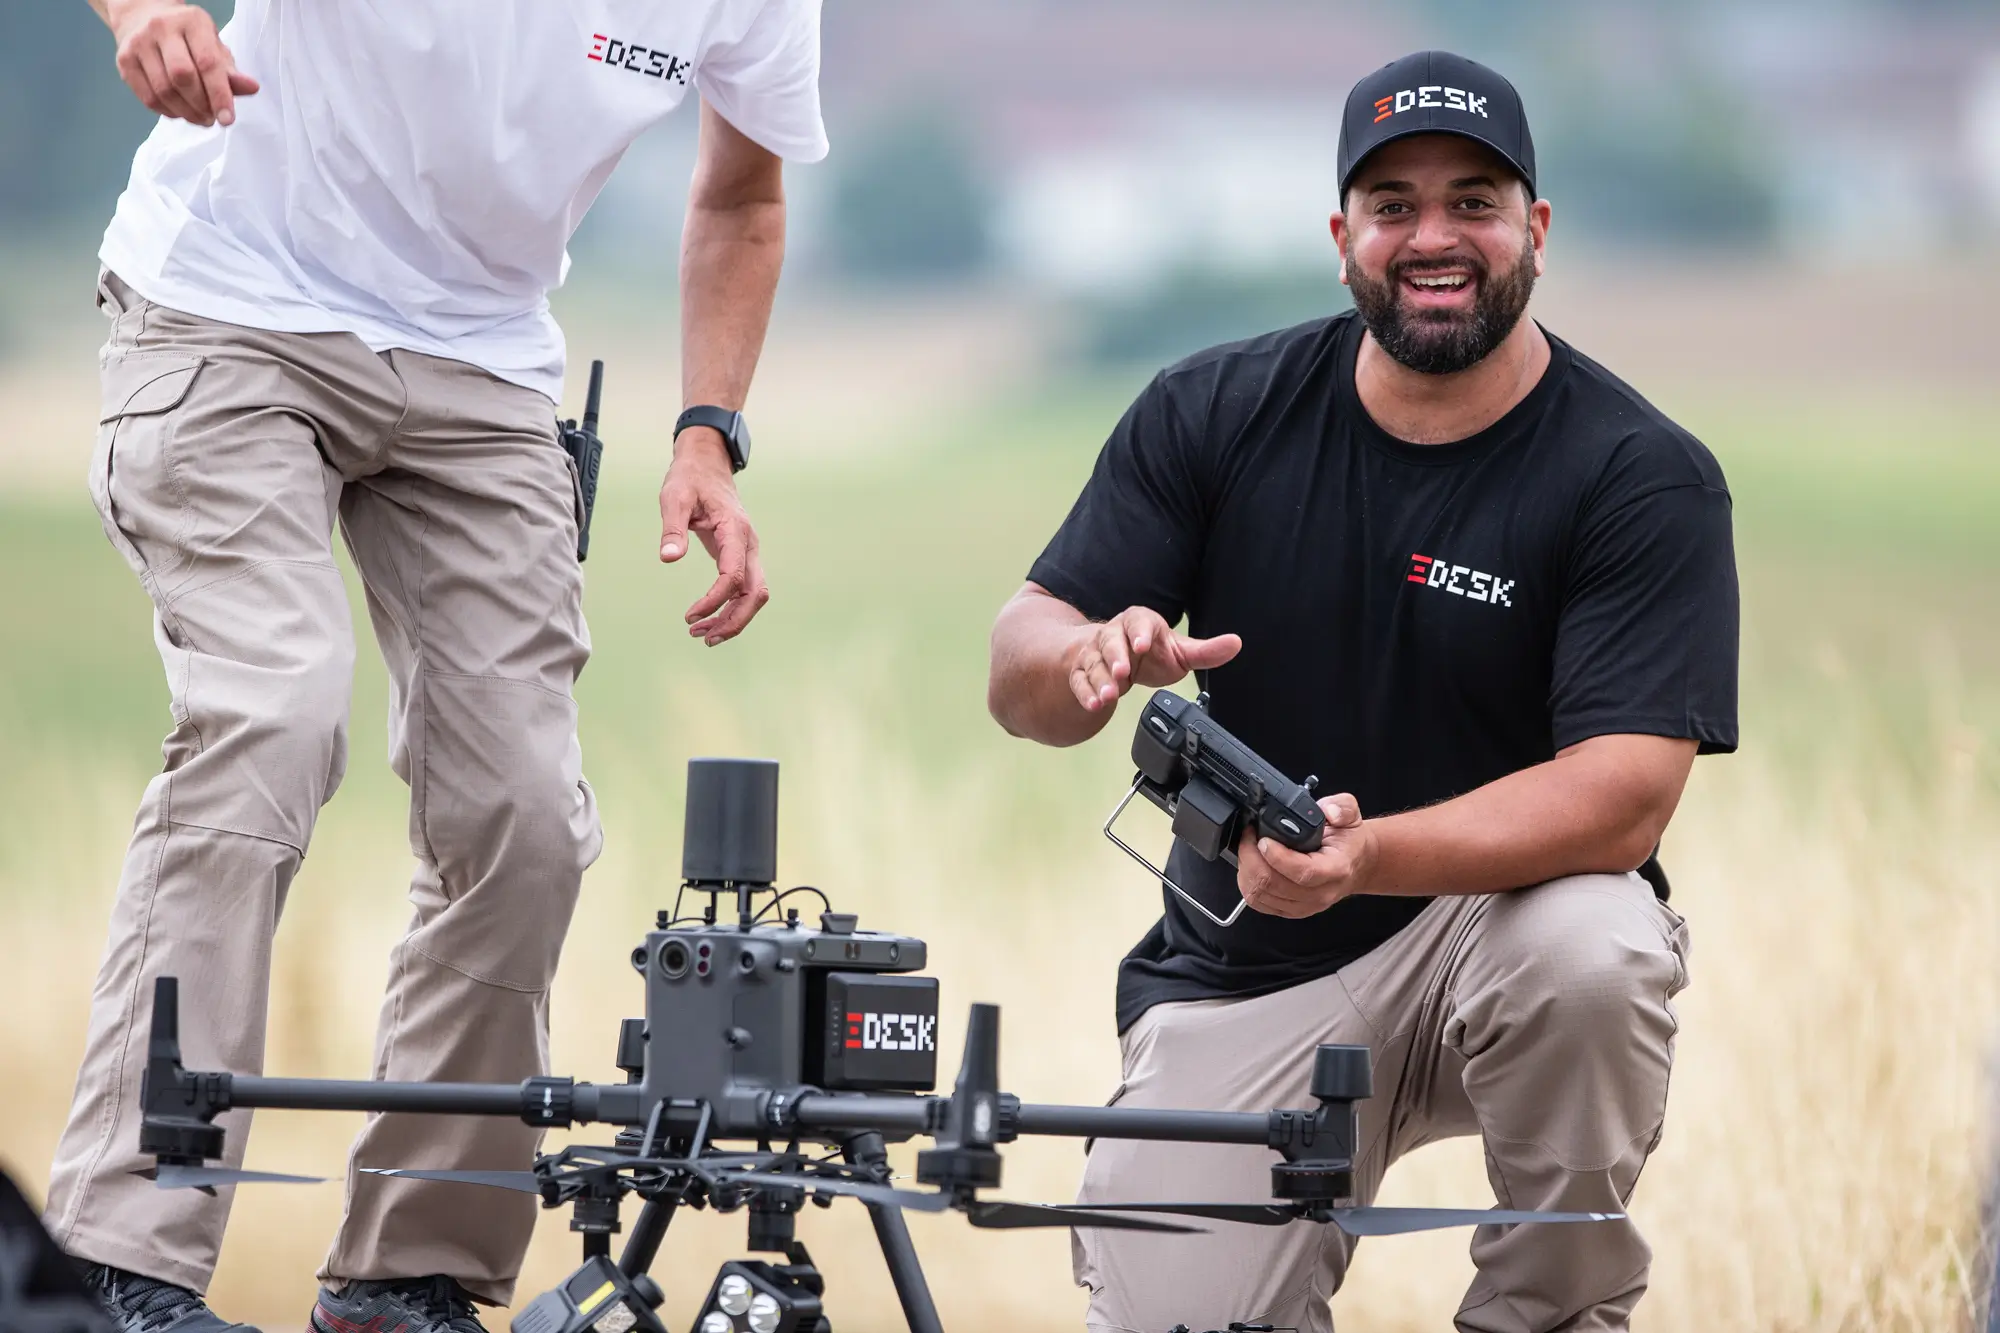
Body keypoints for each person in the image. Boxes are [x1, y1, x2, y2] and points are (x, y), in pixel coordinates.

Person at [51, 2, 824, 1330]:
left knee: (524, 813)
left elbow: (742, 196)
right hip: (232, 305)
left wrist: (706, 434)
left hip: (481, 359)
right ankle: (121, 1264)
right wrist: (147, 12)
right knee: (275, 712)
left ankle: (408, 1274)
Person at [987, 50, 1738, 1333]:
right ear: (1342, 237)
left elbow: (1622, 803)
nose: (1431, 237)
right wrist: (1081, 659)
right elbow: (1020, 662)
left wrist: (1365, 854)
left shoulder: (1638, 473)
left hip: (1489, 933)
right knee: (1181, 1315)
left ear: (1534, 232)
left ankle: (1544, 1315)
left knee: (1595, 946)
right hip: (1249, 962)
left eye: (1472, 202)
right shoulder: (1211, 411)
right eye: (1392, 205)